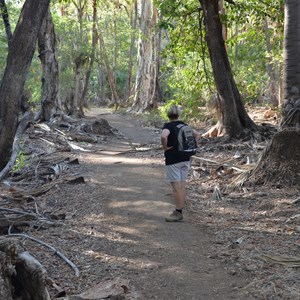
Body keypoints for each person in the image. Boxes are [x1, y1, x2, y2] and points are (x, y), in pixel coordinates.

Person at [161, 105, 200, 222]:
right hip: (185, 158)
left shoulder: (168, 126)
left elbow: (164, 136)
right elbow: (197, 134)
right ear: (178, 115)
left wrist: (165, 147)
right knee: (182, 186)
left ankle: (178, 212)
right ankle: (180, 210)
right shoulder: (185, 125)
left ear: (168, 115)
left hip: (173, 159)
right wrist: (193, 144)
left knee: (177, 188)